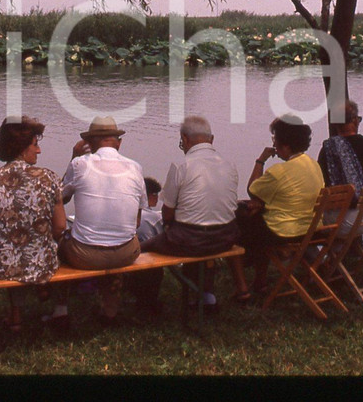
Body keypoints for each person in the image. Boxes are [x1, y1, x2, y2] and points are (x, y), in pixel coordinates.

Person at [52, 116, 150, 325]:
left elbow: (60, 198)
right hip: (126, 253)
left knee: (59, 244)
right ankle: (111, 312)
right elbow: (137, 222)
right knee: (116, 238)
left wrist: (73, 157)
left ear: (90, 143)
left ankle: (60, 311)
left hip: (84, 256)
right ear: (119, 142)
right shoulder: (135, 167)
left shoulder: (79, 164)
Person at [139, 116, 240, 309]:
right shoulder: (230, 165)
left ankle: (145, 300)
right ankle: (207, 296)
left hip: (190, 241)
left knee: (144, 246)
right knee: (196, 231)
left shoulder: (181, 167)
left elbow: (167, 213)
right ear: (212, 139)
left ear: (185, 139)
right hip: (225, 238)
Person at [0, 116, 65, 332]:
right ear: (23, 148)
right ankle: (53, 303)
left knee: (9, 249)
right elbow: (60, 226)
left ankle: (14, 317)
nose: (39, 151)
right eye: (36, 145)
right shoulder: (50, 178)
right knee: (32, 248)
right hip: (41, 265)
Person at [229, 114, 324, 301]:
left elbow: (252, 190)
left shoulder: (279, 171)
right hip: (312, 229)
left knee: (236, 223)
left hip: (285, 231)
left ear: (285, 144)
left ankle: (243, 287)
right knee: (255, 220)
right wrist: (262, 203)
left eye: (275, 140)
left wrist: (261, 160)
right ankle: (260, 281)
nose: (274, 144)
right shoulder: (313, 165)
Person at [318, 100, 363, 234]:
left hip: (342, 221)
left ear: (335, 124)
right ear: (355, 120)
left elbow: (324, 185)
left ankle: (337, 252)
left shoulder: (327, 149)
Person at [135, 177, 164, 244]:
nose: (157, 197)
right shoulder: (154, 218)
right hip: (148, 250)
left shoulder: (131, 213)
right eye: (155, 194)